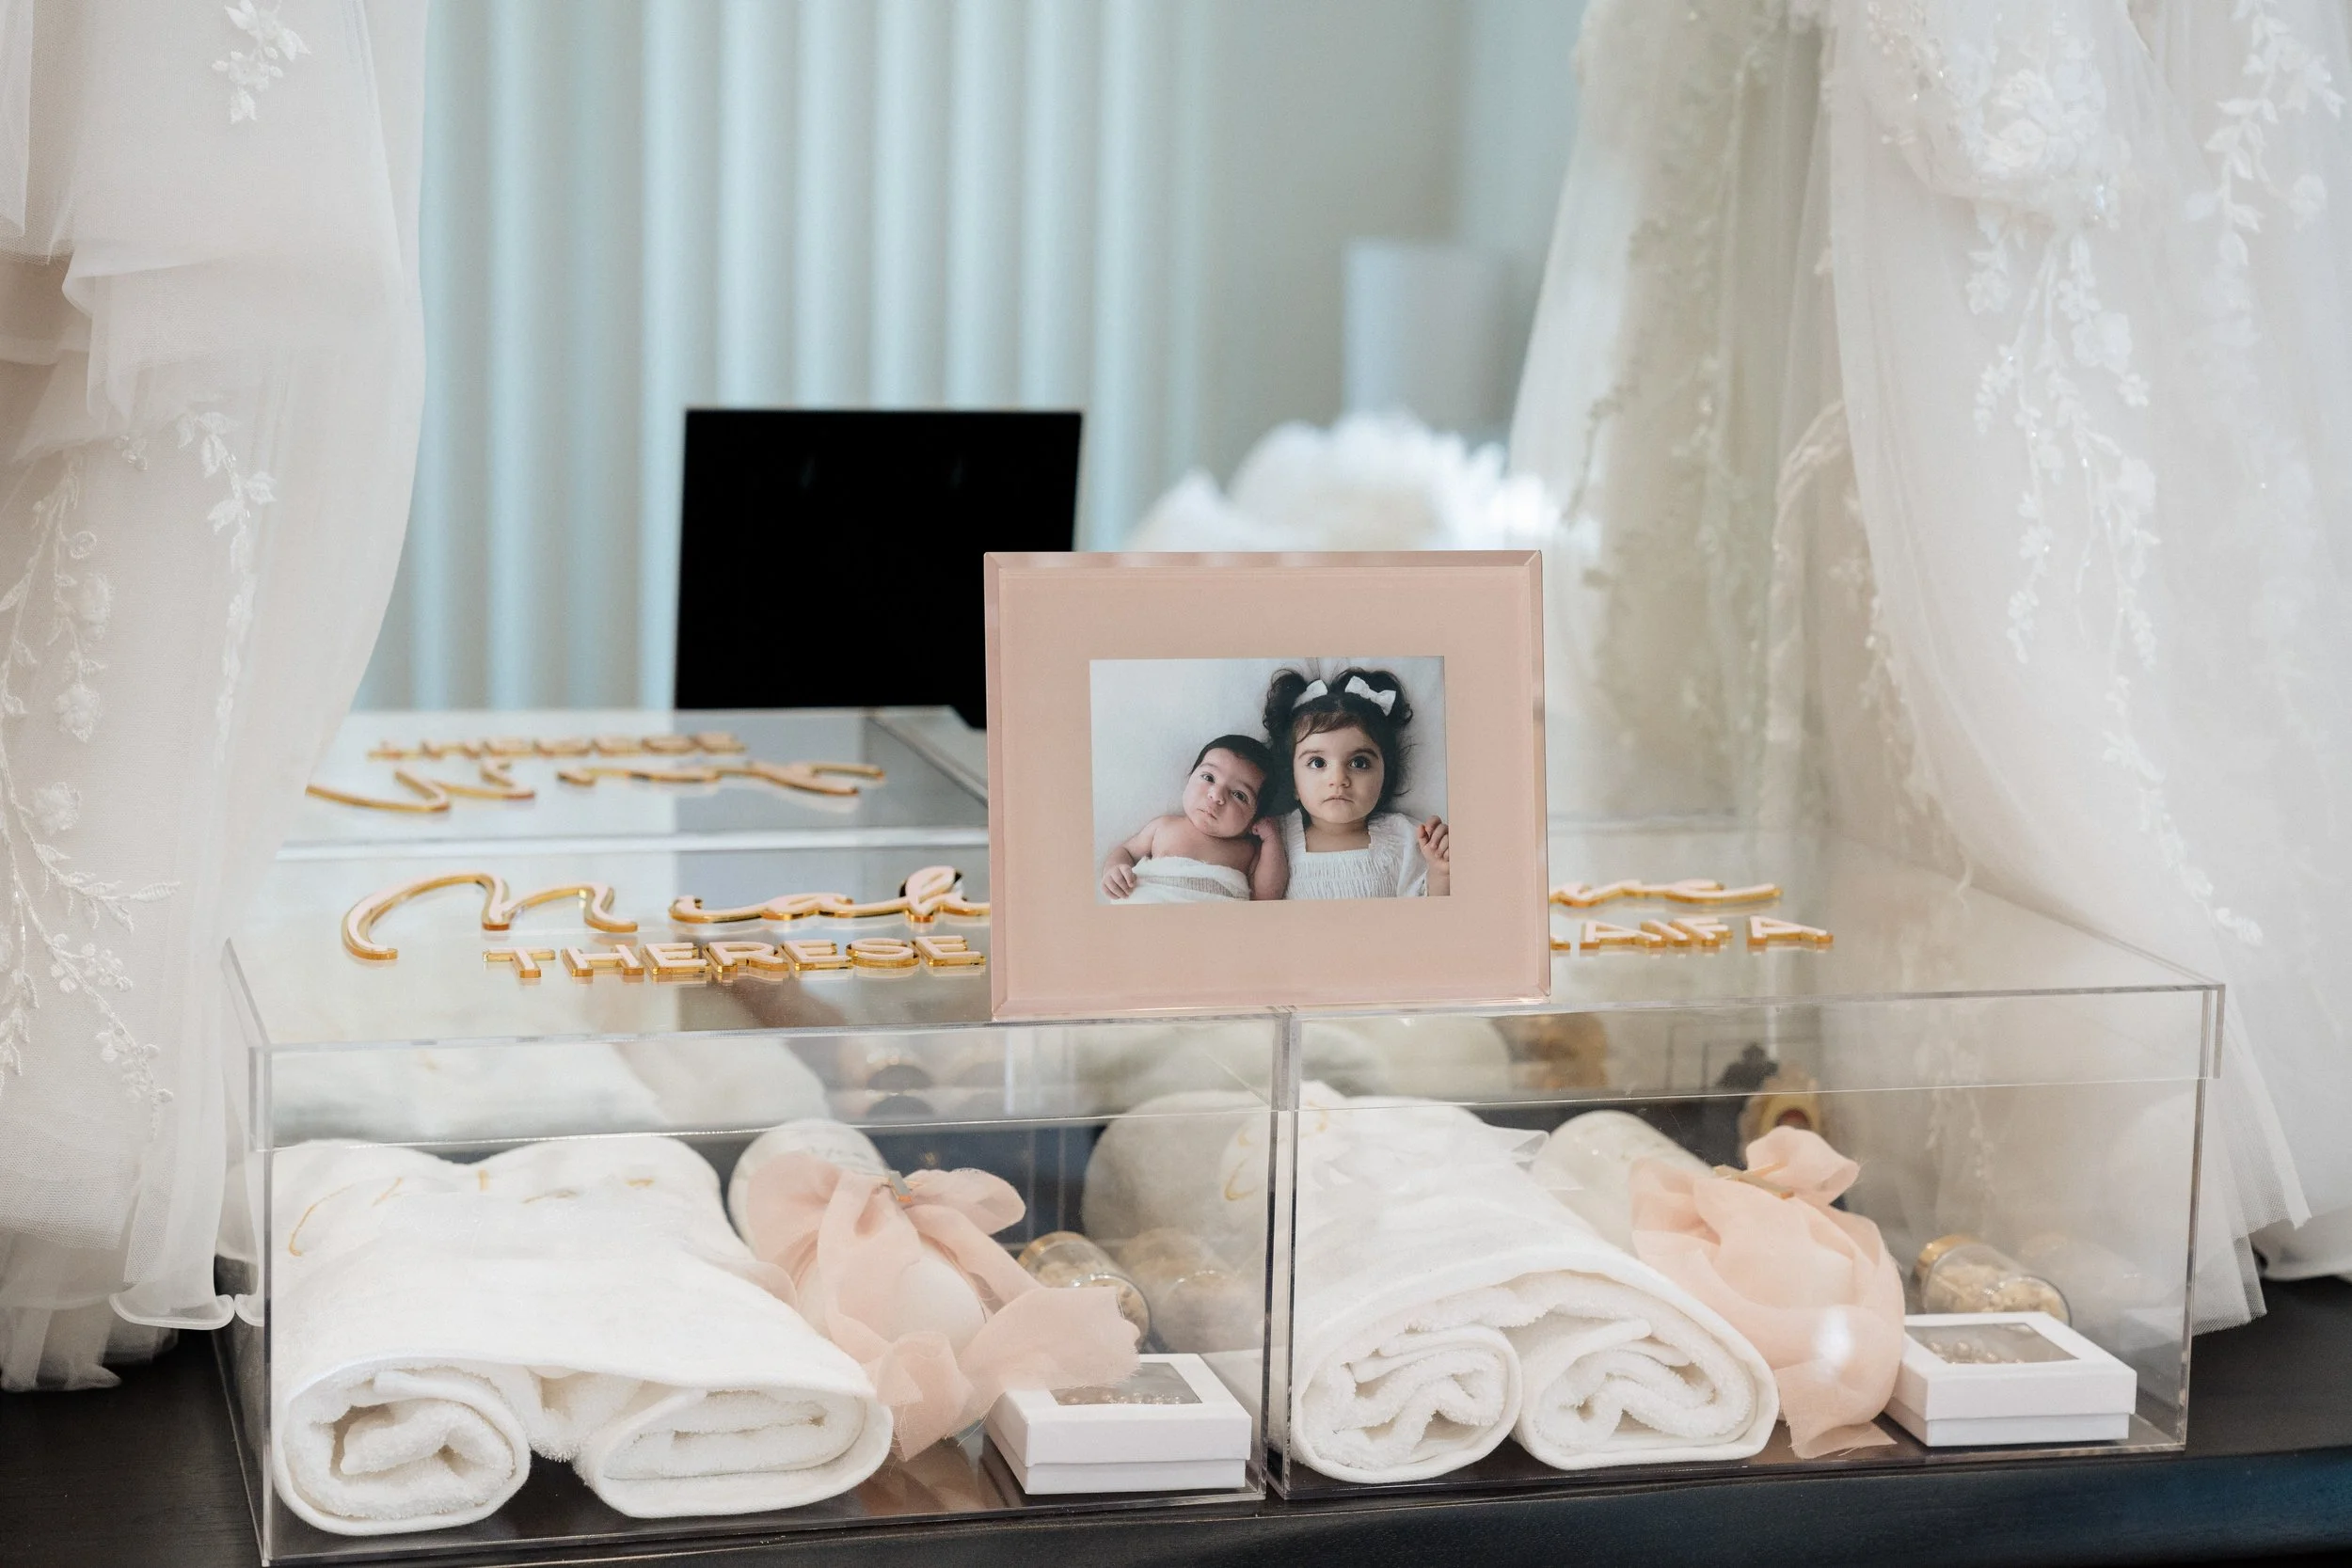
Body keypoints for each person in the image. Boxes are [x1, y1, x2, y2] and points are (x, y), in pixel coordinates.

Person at [1263, 668, 1447, 899]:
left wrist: (1440, 873)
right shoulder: (1273, 839)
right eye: (1318, 762)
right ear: (1292, 780)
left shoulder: (1406, 839)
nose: (1338, 779)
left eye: (1359, 763)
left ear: (1385, 776)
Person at [1100, 736, 1288, 903]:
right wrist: (1115, 870)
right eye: (1208, 777)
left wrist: (1272, 839)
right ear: (1189, 777)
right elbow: (1126, 851)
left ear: (1254, 818)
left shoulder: (1248, 850)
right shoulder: (1164, 826)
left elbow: (1266, 897)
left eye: (1239, 795)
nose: (1216, 795)